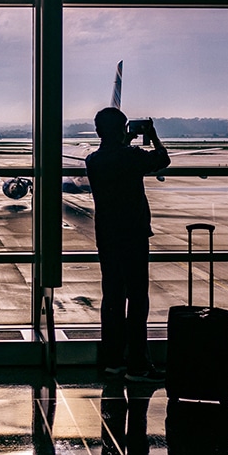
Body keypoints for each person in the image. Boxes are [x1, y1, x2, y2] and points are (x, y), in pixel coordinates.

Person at [85, 107, 170, 382]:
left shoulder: (93, 160)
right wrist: (152, 136)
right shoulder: (132, 156)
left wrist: (124, 139)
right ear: (124, 130)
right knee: (137, 299)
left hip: (106, 236)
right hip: (133, 235)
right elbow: (162, 160)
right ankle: (138, 365)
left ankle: (113, 361)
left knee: (112, 297)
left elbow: (113, 154)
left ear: (98, 131)